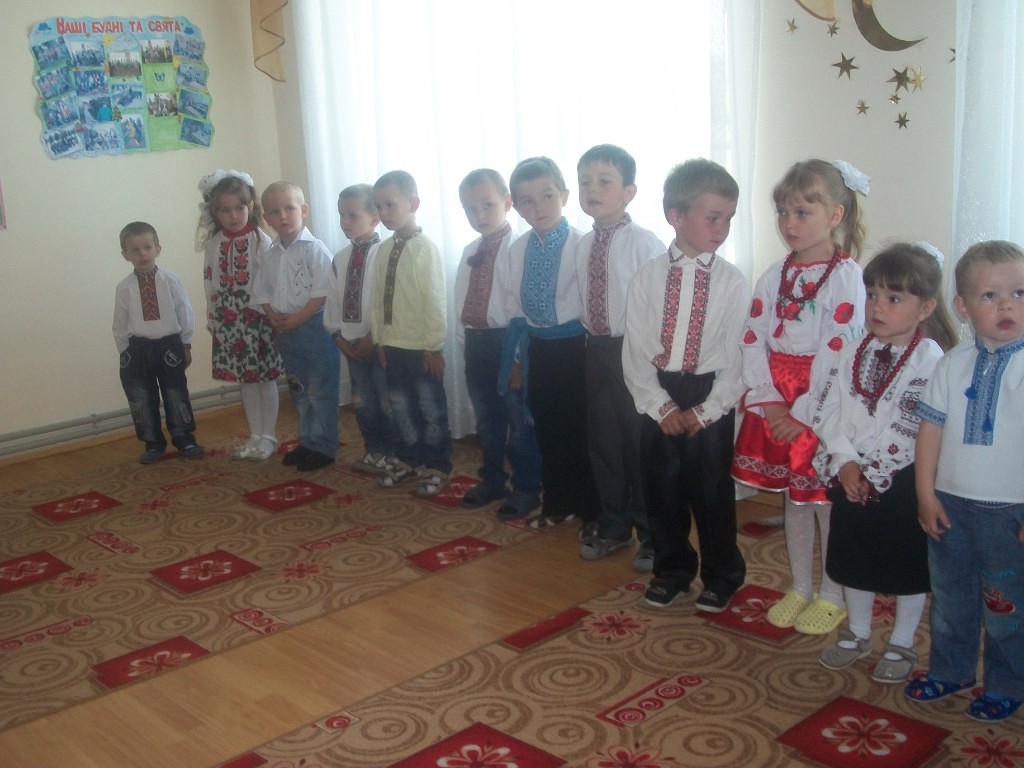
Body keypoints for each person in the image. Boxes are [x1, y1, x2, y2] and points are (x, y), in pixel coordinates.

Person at [733, 159, 868, 636]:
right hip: (778, 397)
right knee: (795, 500)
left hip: (820, 402)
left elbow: (839, 350)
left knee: (824, 501)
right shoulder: (775, 275)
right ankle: (799, 587)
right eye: (782, 212)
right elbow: (753, 337)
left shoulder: (846, 276)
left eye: (802, 212)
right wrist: (769, 401)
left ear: (835, 215)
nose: (789, 223)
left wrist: (805, 413)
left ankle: (832, 593)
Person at [810, 242, 956, 683]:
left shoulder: (930, 359)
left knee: (906, 563)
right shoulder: (850, 351)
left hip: (902, 479)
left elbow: (913, 422)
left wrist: (873, 471)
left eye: (894, 298)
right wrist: (845, 461)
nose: (877, 306)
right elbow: (826, 409)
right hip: (851, 473)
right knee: (854, 557)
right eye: (872, 294)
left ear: (925, 307)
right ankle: (857, 632)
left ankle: (902, 640)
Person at [905, 240, 1024, 722]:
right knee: (951, 597)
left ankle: (1008, 681)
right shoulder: (951, 363)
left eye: (1019, 293)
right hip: (950, 503)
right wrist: (924, 494)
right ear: (962, 306)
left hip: (1009, 511)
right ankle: (951, 670)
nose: (1007, 306)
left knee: (1006, 604)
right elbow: (929, 432)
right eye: (990, 296)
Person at [622, 158, 749, 613]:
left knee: (712, 491)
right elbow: (635, 348)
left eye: (728, 219)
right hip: (659, 393)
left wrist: (709, 409)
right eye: (713, 217)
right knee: (663, 489)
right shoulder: (648, 276)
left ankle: (722, 574)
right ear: (675, 215)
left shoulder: (732, 282)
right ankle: (673, 570)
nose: (722, 228)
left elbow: (738, 355)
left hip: (708, 394)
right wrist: (659, 406)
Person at [574, 145, 663, 570]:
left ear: (629, 192)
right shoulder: (582, 244)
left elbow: (660, 304)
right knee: (603, 440)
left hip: (636, 351)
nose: (592, 189)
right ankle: (613, 525)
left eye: (604, 181)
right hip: (597, 350)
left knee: (638, 443)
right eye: (585, 182)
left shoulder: (644, 243)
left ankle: (652, 533)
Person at [502, 156, 598, 532]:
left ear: (564, 196)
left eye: (547, 196)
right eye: (526, 200)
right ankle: (558, 503)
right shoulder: (517, 248)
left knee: (580, 431)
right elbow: (515, 309)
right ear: (515, 205)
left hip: (576, 348)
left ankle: (593, 511)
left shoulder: (582, 244)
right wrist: (516, 361)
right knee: (547, 429)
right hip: (537, 349)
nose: (538, 207)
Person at [454, 169, 542, 519]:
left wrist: (518, 359)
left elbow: (521, 306)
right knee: (487, 420)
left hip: (507, 343)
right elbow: (459, 301)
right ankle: (492, 479)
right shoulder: (469, 250)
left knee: (519, 422)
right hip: (476, 343)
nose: (479, 215)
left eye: (487, 205)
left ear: (507, 203)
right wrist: (463, 343)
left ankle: (527, 487)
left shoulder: (518, 248)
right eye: (470, 209)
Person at [370, 170, 453, 497]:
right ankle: (409, 458)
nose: (384, 213)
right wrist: (379, 339)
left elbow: (435, 300)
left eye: (390, 204)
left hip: (421, 348)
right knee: (401, 406)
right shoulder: (383, 249)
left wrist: (433, 347)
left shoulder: (425, 249)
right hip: (392, 345)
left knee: (431, 409)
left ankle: (437, 465)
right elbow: (377, 298)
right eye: (379, 206)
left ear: (413, 203)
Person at [196, 169, 283, 461]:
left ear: (250, 207)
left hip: (257, 317)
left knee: (264, 379)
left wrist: (271, 315)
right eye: (225, 210)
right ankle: (255, 435)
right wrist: (213, 317)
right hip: (229, 319)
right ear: (215, 212)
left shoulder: (261, 240)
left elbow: (270, 281)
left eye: (239, 208)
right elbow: (209, 280)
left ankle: (269, 436)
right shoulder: (214, 243)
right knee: (246, 380)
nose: (233, 215)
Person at [252, 181, 339, 472]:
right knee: (299, 389)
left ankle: (324, 446)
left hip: (314, 327)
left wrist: (300, 318)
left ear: (303, 210)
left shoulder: (315, 249)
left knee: (320, 390)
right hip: (286, 329)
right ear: (267, 218)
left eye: (289, 209)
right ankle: (308, 442)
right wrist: (271, 316)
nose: (283, 216)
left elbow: (323, 292)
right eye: (275, 212)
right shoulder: (270, 254)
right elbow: (262, 291)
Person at [113, 221, 204, 464]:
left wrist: (186, 343)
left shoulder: (170, 281)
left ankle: (184, 437)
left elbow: (185, 311)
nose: (142, 254)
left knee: (175, 393)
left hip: (169, 346)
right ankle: (152, 442)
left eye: (147, 247)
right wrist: (125, 352)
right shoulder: (124, 288)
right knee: (141, 397)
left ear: (158, 249)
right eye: (135, 250)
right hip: (137, 349)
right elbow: (119, 323)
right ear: (125, 255)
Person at [324, 184, 398, 476]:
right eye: (341, 215)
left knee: (387, 402)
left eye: (352, 215)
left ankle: (393, 454)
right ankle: (373, 450)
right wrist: (337, 336)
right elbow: (332, 299)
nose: (345, 222)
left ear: (375, 218)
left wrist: (373, 338)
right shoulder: (340, 258)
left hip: (378, 345)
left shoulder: (386, 254)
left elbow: (387, 302)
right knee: (363, 402)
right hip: (351, 345)